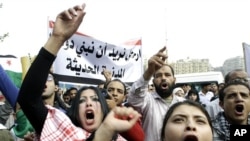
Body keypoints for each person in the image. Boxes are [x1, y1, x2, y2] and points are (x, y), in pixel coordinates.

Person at [17, 3, 141, 141]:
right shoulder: (62, 130)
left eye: (95, 99)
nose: (89, 103)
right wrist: (57, 38)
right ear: (75, 112)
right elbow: (28, 100)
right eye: (82, 101)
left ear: (104, 109)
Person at [127, 46, 185, 141]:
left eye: (167, 75)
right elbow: (134, 99)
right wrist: (149, 72)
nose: (163, 78)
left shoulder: (183, 104)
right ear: (153, 82)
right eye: (158, 75)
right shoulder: (147, 101)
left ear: (174, 80)